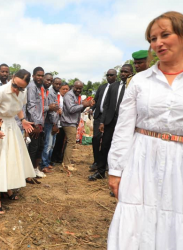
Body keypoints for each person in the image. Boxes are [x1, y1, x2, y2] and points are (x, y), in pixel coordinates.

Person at [107, 11, 183, 249]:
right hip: (141, 159)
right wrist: (116, 170)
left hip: (179, 163)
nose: (158, 43)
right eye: (152, 38)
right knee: (137, 219)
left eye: (165, 35)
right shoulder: (140, 81)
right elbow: (123, 128)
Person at [0, 69, 35, 214]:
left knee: (11, 158)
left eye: (21, 87)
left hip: (12, 126)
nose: (17, 89)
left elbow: (18, 107)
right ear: (12, 78)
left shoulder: (23, 92)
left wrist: (23, 119)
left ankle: (8, 187)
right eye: (15, 85)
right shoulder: (1, 91)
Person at [88, 64, 133, 181]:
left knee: (122, 148)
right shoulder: (114, 86)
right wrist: (102, 122)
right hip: (110, 122)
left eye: (126, 72)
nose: (123, 74)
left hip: (125, 122)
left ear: (131, 73)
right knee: (105, 146)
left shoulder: (133, 86)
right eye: (122, 71)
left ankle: (122, 176)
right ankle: (101, 171)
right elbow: (106, 105)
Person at [26, 67, 59, 178]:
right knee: (33, 148)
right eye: (38, 75)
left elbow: (40, 107)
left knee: (39, 147)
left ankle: (35, 169)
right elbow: (31, 106)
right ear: (33, 76)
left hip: (41, 123)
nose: (40, 77)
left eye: (42, 75)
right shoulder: (31, 87)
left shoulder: (41, 88)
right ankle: (29, 173)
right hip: (34, 123)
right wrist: (35, 124)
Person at [89, 69, 117, 172]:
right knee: (96, 139)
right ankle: (96, 161)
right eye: (108, 75)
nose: (109, 76)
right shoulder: (102, 87)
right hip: (98, 116)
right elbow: (96, 100)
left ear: (116, 76)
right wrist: (92, 109)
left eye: (111, 75)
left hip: (110, 118)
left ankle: (104, 163)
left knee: (107, 141)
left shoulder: (117, 88)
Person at [61, 81, 93, 170]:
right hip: (68, 122)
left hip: (73, 122)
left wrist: (84, 106)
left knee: (70, 142)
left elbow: (79, 110)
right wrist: (83, 105)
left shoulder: (77, 96)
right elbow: (71, 109)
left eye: (80, 88)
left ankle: (66, 161)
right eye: (76, 88)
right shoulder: (69, 95)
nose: (78, 90)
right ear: (73, 87)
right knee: (71, 142)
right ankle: (66, 164)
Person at [41, 77, 62, 173]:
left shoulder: (56, 94)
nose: (58, 85)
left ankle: (48, 162)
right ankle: (44, 164)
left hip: (54, 122)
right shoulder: (50, 94)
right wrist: (54, 124)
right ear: (53, 83)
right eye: (56, 84)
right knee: (48, 144)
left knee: (52, 145)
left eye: (59, 84)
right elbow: (50, 111)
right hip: (49, 123)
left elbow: (56, 110)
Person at [51, 83, 70, 164]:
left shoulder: (68, 98)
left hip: (64, 123)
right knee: (55, 141)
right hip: (56, 122)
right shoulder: (57, 97)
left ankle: (59, 157)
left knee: (62, 141)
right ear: (60, 89)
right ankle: (53, 158)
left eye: (67, 89)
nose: (65, 91)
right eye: (63, 89)